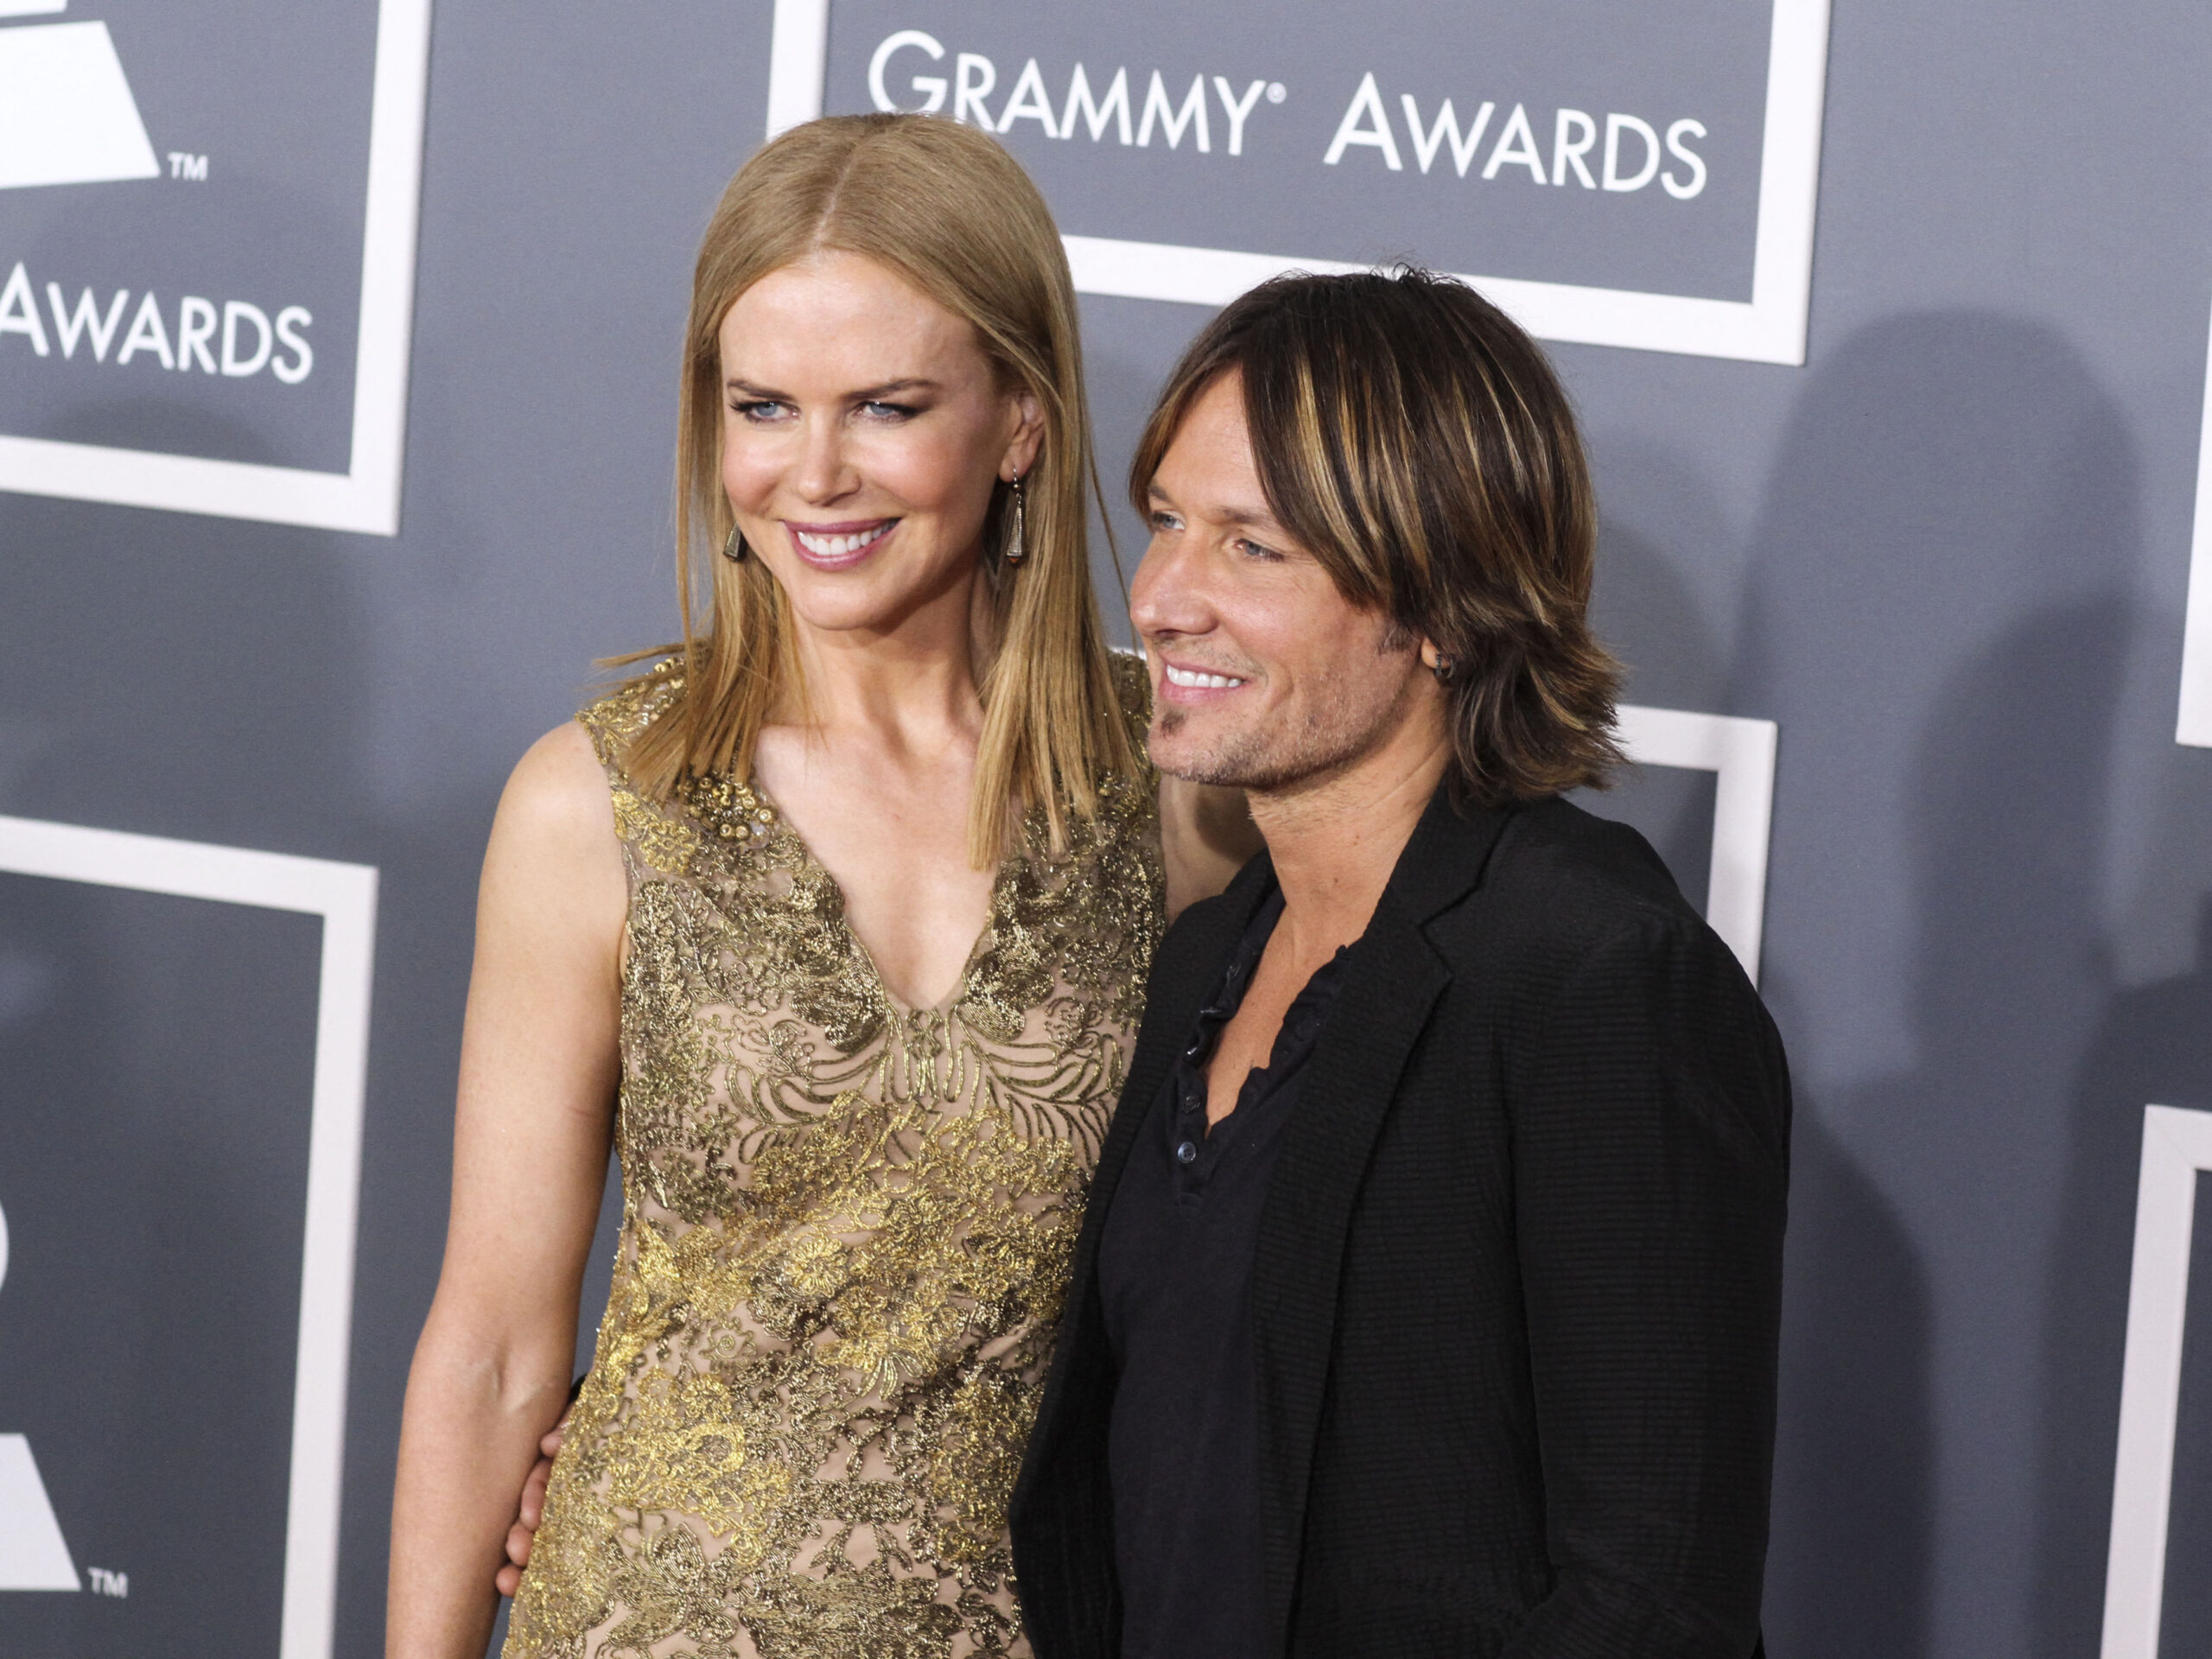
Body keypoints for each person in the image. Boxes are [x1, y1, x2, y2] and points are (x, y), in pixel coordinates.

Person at [385, 114, 1250, 1659]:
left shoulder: (1183, 794)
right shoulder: (601, 803)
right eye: (763, 406)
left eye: (889, 406)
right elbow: (496, 1347)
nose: (817, 472)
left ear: (1021, 422)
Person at [1007, 270, 1793, 1657]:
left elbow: (1649, 1607)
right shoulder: (1205, 956)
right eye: (1170, 523)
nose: (1163, 598)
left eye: (1253, 549)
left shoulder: (1595, 980)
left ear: (1442, 606)